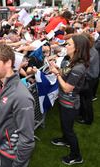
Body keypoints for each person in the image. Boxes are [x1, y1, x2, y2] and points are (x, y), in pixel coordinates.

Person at [0, 44, 35, 167]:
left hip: (12, 156)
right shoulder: (0, 83)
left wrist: (18, 164)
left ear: (8, 63)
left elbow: (27, 140)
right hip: (2, 148)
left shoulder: (21, 96)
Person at [49, 34, 90, 165]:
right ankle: (65, 140)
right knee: (65, 126)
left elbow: (67, 88)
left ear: (77, 48)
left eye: (69, 44)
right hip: (64, 101)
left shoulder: (78, 67)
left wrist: (56, 74)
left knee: (69, 130)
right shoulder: (73, 62)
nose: (66, 46)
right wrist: (56, 69)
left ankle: (76, 156)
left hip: (70, 103)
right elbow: (64, 72)